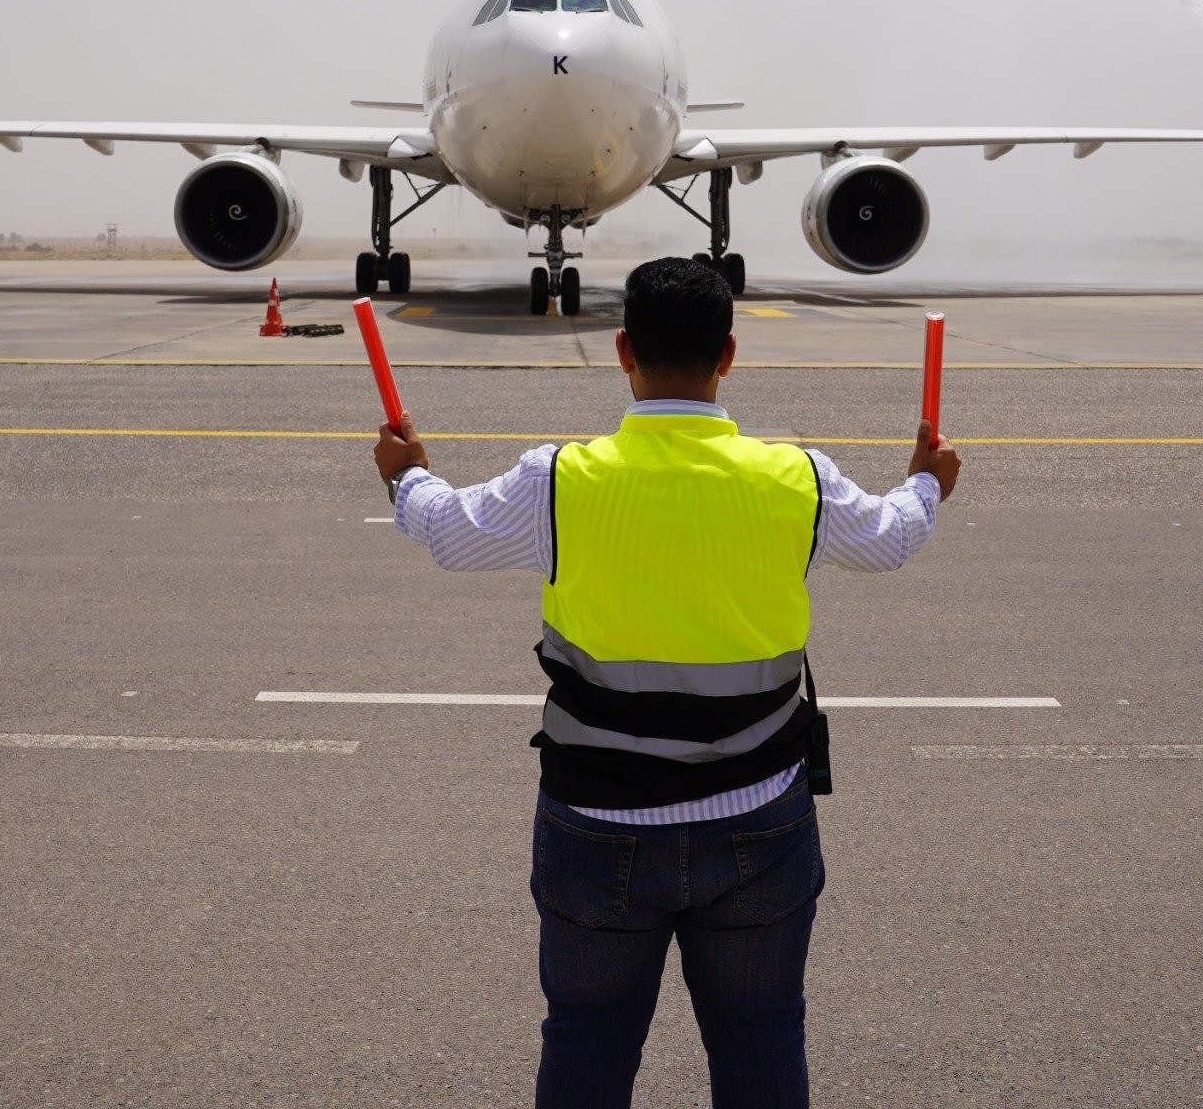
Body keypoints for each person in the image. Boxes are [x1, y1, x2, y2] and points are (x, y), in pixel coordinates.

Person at [373, 257, 959, 1109]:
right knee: (762, 1038)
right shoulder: (796, 477)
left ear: (622, 351)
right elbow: (892, 538)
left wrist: (406, 473)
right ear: (728, 355)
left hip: (596, 823)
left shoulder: (560, 480)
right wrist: (925, 485)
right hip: (758, 820)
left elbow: (445, 531)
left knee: (587, 1041)